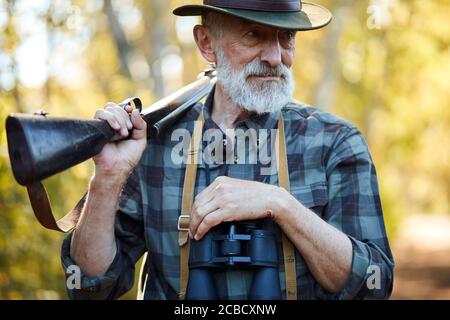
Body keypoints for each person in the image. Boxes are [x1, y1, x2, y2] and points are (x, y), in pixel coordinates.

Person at [61, 0, 394, 300]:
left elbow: (373, 284)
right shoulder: (153, 142)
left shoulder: (335, 141)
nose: (276, 57)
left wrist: (281, 206)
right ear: (207, 43)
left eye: (286, 38)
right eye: (254, 35)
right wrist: (106, 179)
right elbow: (90, 286)